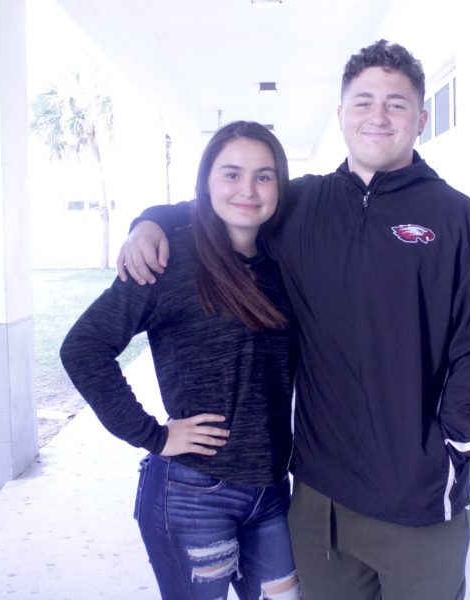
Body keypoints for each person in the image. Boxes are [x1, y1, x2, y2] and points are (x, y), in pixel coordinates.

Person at [118, 40, 470, 600]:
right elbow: (228, 203)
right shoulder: (301, 205)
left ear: (422, 118)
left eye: (396, 103)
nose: (378, 116)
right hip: (317, 503)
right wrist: (150, 221)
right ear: (341, 115)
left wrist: (452, 446)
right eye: (363, 102)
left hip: (419, 502)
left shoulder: (459, 221)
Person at [60, 121, 302, 600]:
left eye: (263, 176)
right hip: (194, 493)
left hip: (272, 491)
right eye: (231, 174)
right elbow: (84, 347)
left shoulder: (284, 259)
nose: (247, 190)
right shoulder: (169, 260)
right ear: (206, 182)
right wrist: (153, 434)